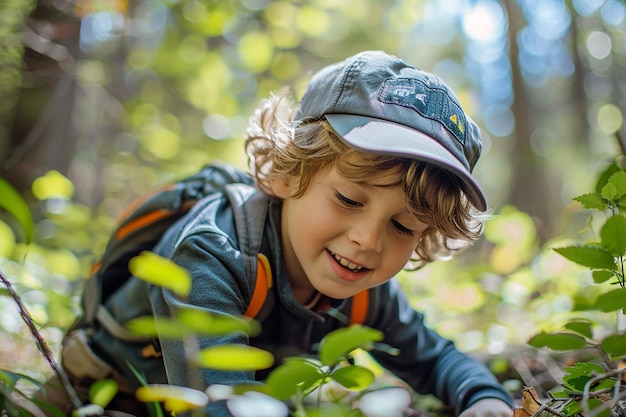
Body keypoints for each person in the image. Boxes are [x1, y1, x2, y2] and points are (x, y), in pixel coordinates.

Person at [44, 50, 514, 417]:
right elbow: (219, 402)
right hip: (98, 394)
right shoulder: (212, 252)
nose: (369, 241)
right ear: (288, 175)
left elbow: (435, 360)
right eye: (348, 200)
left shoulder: (368, 292)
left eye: (403, 226)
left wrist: (484, 398)